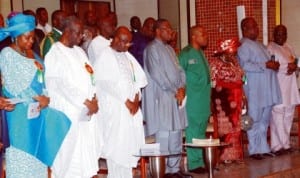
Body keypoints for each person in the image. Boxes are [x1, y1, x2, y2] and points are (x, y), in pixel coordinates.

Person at [0, 13, 71, 177]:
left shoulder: (33, 54)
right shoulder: (6, 54)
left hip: (38, 112)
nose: (31, 41)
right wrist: (36, 97)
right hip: (19, 115)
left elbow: (42, 79)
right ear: (16, 37)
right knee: (22, 155)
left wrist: (46, 97)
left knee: (38, 157)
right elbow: (13, 84)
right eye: (27, 38)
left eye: (32, 37)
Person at [44, 16, 100, 178]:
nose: (82, 36)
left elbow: (91, 75)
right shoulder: (55, 53)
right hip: (67, 116)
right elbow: (61, 85)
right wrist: (85, 102)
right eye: (79, 33)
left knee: (85, 159)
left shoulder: (79, 52)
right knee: (69, 161)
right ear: (67, 32)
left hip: (85, 115)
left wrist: (94, 97)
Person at [94, 26, 147, 178]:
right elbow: (106, 83)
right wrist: (126, 101)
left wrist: (136, 99)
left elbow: (139, 79)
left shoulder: (127, 56)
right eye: (124, 42)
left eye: (129, 43)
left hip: (131, 110)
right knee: (117, 151)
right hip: (116, 111)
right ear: (116, 39)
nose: (126, 46)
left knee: (128, 150)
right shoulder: (105, 55)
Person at [142, 19, 191, 178]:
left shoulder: (170, 49)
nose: (171, 32)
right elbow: (157, 75)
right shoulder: (151, 49)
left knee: (176, 132)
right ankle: (161, 171)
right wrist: (174, 89)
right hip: (162, 97)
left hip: (176, 97)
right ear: (158, 31)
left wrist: (182, 87)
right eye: (167, 29)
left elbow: (181, 71)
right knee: (164, 134)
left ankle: (174, 169)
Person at [237, 17, 282, 160]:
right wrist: (266, 65)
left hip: (267, 88)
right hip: (254, 89)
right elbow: (244, 66)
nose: (256, 29)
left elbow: (268, 62)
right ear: (244, 29)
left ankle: (263, 147)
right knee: (253, 119)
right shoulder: (243, 45)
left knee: (264, 120)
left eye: (256, 26)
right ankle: (253, 149)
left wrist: (274, 65)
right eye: (253, 27)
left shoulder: (261, 45)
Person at [178, 25, 210, 173]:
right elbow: (178, 75)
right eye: (202, 34)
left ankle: (201, 161)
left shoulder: (201, 53)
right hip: (192, 101)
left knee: (201, 132)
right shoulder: (186, 53)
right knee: (192, 131)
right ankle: (194, 164)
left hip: (203, 101)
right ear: (194, 37)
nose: (206, 36)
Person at [210, 38, 244, 163]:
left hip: (237, 98)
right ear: (225, 51)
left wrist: (243, 95)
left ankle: (234, 155)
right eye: (232, 51)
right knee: (225, 127)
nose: (234, 54)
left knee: (236, 126)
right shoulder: (216, 63)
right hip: (223, 99)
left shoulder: (234, 62)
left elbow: (241, 78)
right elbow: (212, 82)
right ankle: (224, 156)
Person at [267, 25, 300, 155]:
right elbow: (272, 66)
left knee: (288, 116)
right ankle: (280, 146)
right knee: (277, 116)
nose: (281, 36)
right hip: (278, 86)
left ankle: (281, 145)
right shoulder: (270, 47)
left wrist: (295, 66)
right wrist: (288, 66)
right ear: (274, 34)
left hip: (291, 87)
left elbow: (296, 60)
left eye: (283, 34)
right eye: (279, 34)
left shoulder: (288, 47)